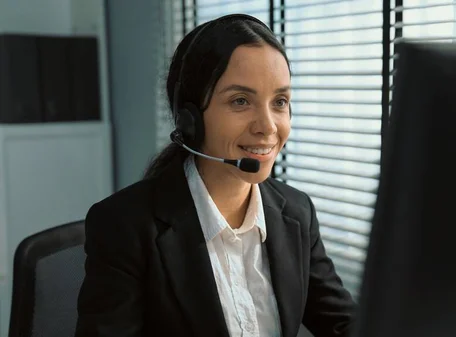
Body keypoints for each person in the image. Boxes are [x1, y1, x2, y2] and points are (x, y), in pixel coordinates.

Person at [75, 13, 356, 337]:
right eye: (240, 101)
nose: (267, 126)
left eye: (280, 101)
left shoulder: (296, 214)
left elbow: (344, 324)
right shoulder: (125, 226)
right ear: (190, 119)